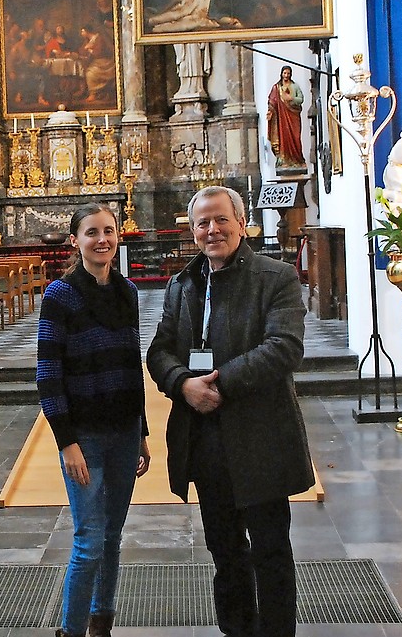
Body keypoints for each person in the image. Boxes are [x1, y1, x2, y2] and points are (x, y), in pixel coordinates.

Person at [147, 186, 314, 637]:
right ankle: (236, 629)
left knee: (270, 549)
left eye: (221, 220)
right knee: (224, 549)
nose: (212, 229)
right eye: (203, 222)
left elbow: (285, 347)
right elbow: (160, 350)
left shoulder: (275, 277)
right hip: (205, 438)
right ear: (193, 230)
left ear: (242, 223)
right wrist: (183, 384)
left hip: (260, 433)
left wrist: (217, 384)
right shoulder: (182, 284)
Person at [38, 204, 150, 637]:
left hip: (123, 433)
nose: (102, 239)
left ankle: (101, 623)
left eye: (108, 231)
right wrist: (67, 442)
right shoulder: (60, 295)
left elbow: (130, 363)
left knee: (112, 538)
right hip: (84, 436)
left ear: (117, 237)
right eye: (91, 233)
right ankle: (70, 629)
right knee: (88, 541)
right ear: (75, 240)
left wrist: (140, 431)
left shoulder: (127, 292)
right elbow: (48, 374)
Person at [267, 66, 306, 169]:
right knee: (283, 136)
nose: (286, 75)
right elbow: (273, 101)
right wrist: (270, 112)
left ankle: (297, 159)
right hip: (282, 117)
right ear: (281, 74)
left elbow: (301, 99)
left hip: (293, 115)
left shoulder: (295, 86)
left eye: (288, 73)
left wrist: (291, 98)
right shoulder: (277, 87)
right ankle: (283, 159)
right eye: (284, 73)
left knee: (296, 138)